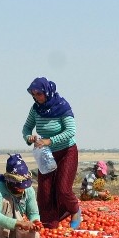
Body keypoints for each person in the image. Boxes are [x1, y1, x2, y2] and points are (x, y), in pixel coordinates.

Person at [22, 77, 80, 229]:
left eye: (39, 94)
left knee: (63, 190)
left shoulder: (62, 106)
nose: (36, 97)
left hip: (66, 152)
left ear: (47, 92)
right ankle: (50, 225)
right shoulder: (35, 109)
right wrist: (29, 137)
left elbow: (71, 131)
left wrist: (50, 140)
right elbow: (26, 128)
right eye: (33, 94)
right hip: (46, 155)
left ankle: (74, 210)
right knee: (45, 193)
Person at [0, 154, 42, 238]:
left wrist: (35, 222)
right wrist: (19, 223)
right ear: (10, 180)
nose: (22, 189)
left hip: (15, 227)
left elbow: (33, 213)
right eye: (18, 186)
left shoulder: (29, 190)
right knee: (6, 202)